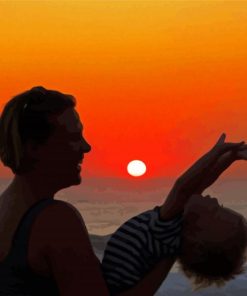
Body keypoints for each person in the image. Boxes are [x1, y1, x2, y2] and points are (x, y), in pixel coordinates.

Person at [0, 86, 246, 295]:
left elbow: (185, 192)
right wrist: (170, 255)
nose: (86, 148)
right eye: (73, 138)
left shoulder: (6, 210)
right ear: (33, 148)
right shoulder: (55, 221)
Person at [102, 138, 247, 295]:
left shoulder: (168, 228)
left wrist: (216, 152)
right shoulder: (175, 234)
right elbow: (203, 181)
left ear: (197, 232)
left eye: (215, 210)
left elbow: (182, 186)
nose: (215, 200)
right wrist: (231, 158)